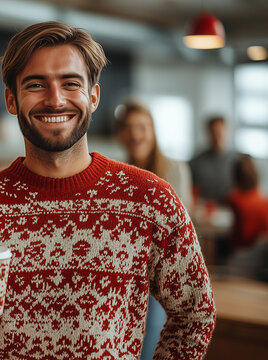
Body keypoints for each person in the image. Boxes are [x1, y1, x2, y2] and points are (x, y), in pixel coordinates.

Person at [0, 21, 215, 359]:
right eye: (36, 85)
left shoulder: (151, 200)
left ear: (94, 96)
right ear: (11, 99)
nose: (55, 100)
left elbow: (195, 314)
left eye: (70, 83)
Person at [115, 100, 195, 360]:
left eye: (142, 127)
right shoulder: (118, 174)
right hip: (126, 279)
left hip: (160, 279)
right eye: (129, 128)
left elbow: (180, 233)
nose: (136, 134)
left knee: (148, 347)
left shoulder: (173, 170)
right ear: (121, 134)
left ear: (153, 130)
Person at [190, 116, 236, 204]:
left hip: (231, 210)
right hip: (204, 212)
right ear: (208, 133)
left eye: (219, 132)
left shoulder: (237, 161)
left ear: (226, 131)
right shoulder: (196, 162)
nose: (217, 137)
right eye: (214, 133)